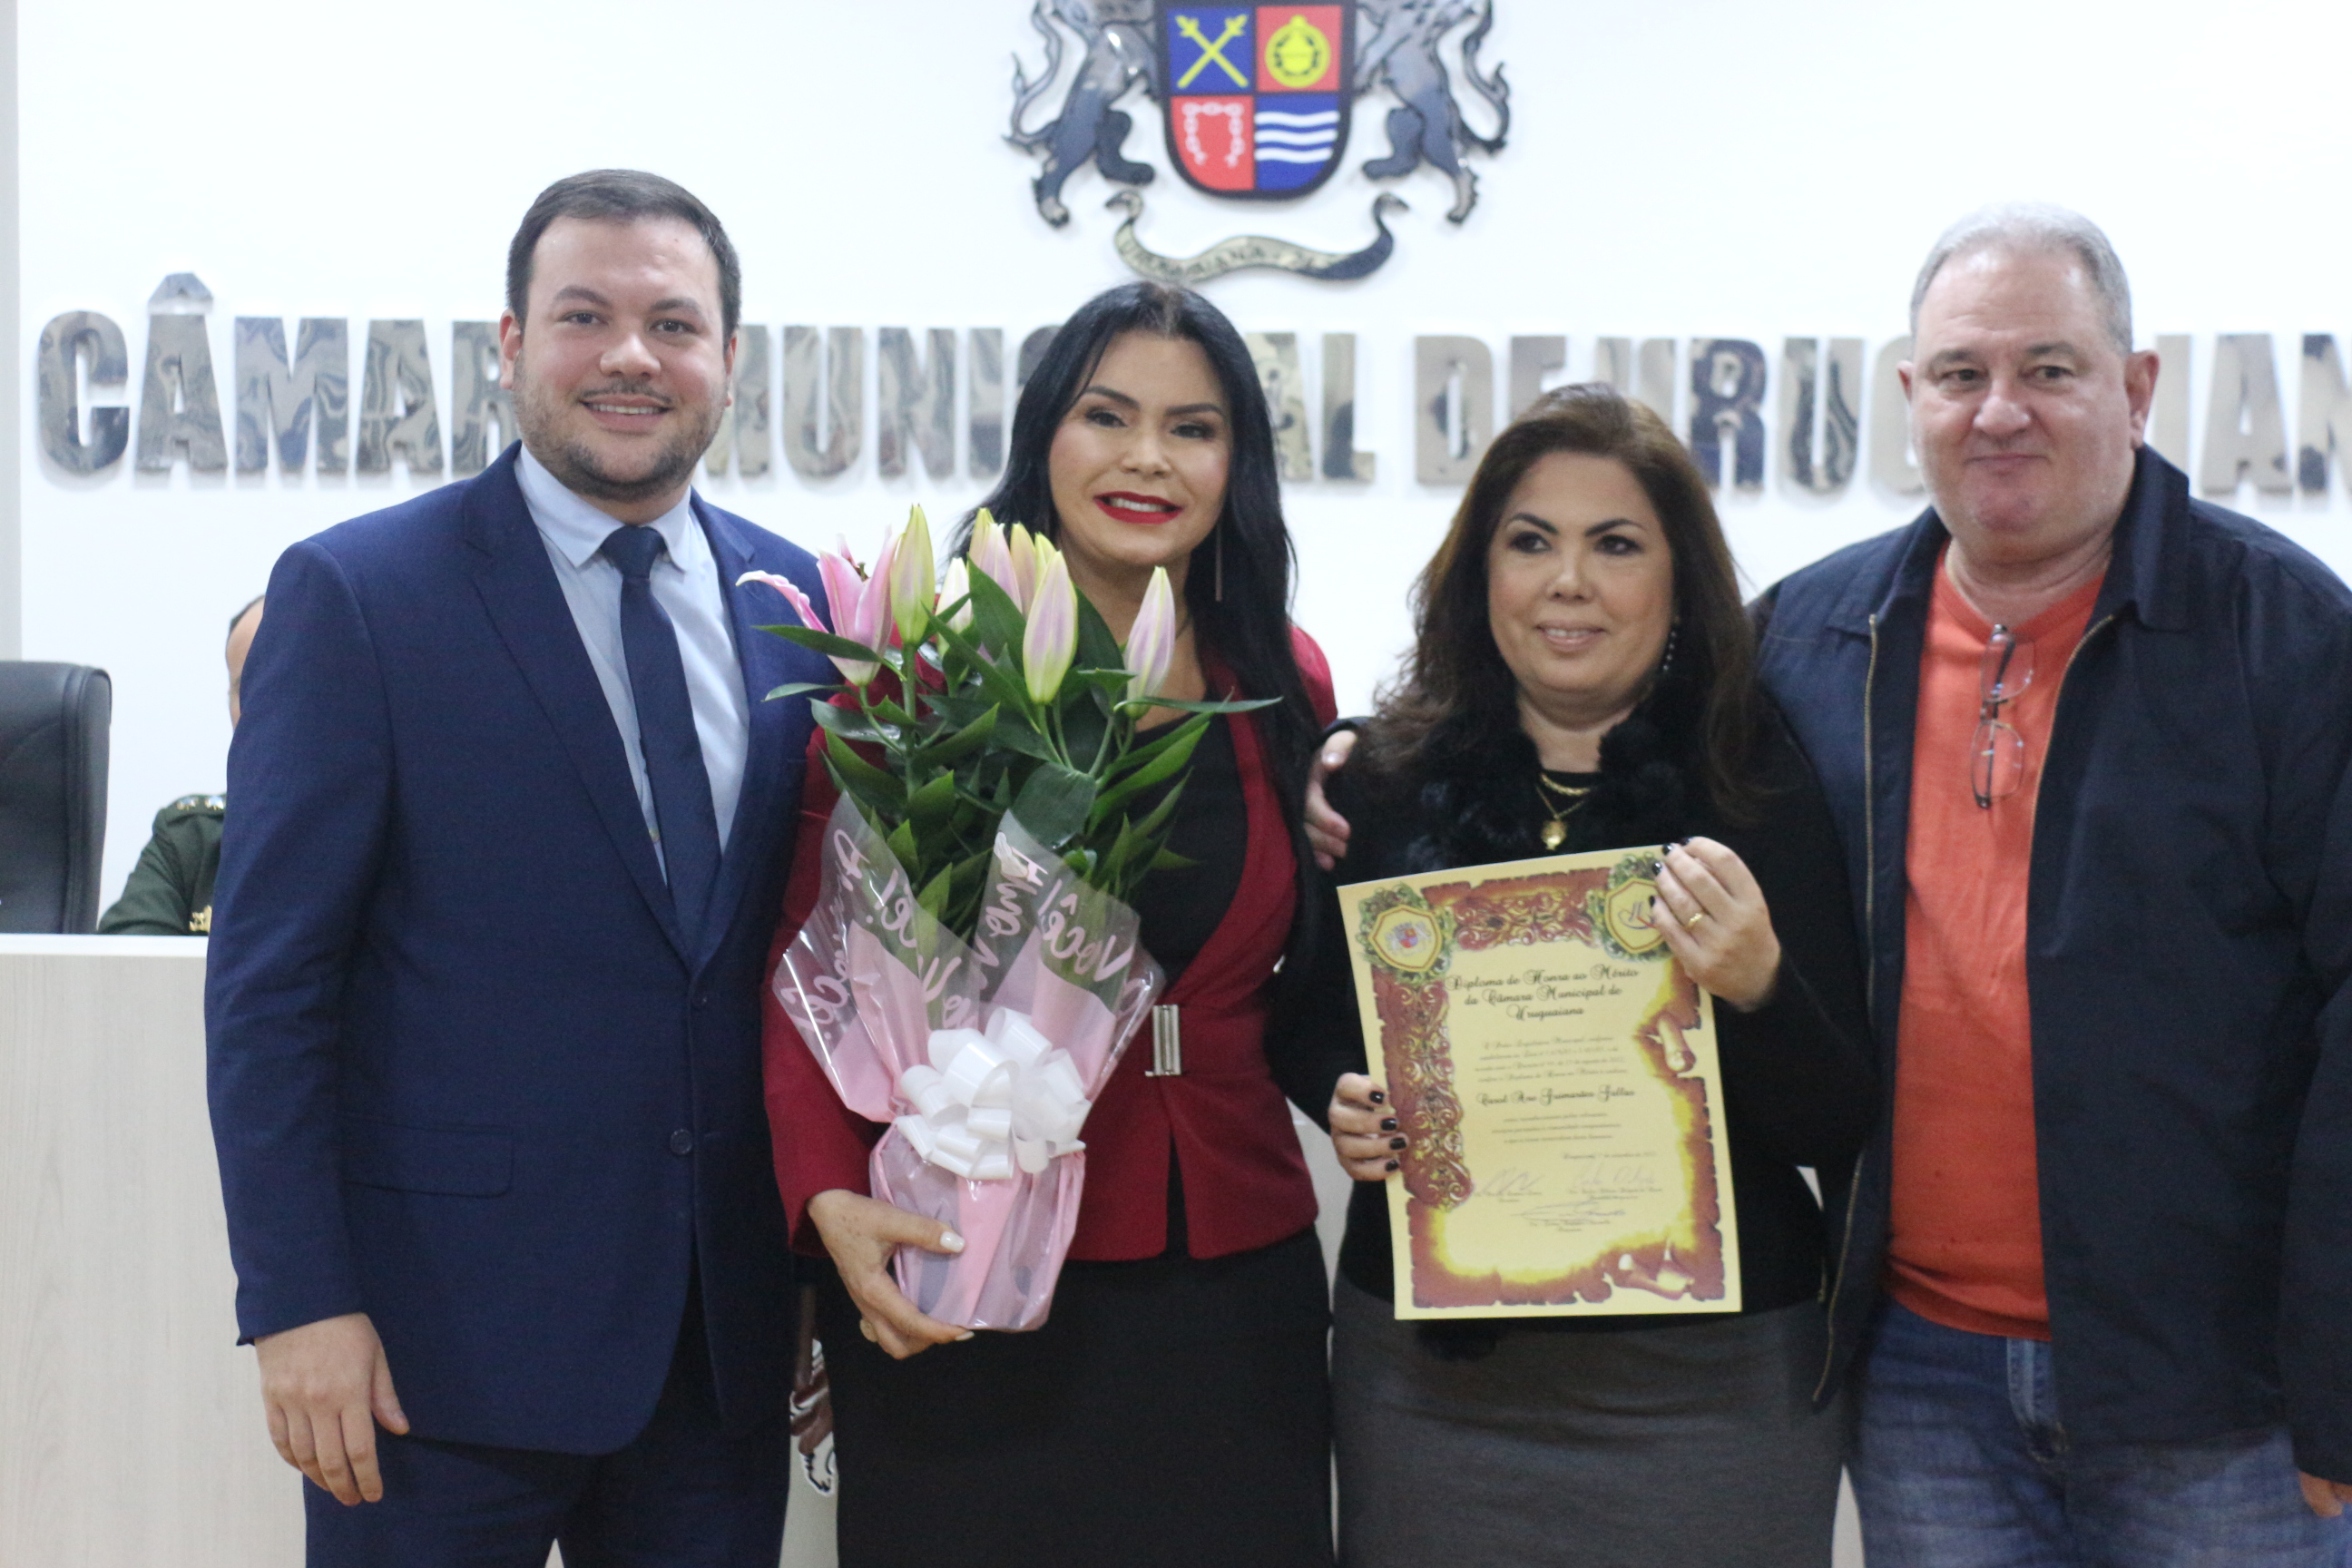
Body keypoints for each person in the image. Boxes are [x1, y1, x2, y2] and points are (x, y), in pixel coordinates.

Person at [204, 170, 834, 1566]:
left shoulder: (798, 608)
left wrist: (809, 1271)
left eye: (674, 324)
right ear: (510, 343)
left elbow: (807, 974)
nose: (630, 356)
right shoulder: (362, 595)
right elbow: (269, 989)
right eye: (583, 316)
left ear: (731, 357)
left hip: (716, 1350)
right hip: (428, 1356)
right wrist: (296, 1302)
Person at [1748, 206, 2352, 1563]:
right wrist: (1371, 763)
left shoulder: (2286, 635)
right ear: (1911, 395)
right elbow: (1608, 762)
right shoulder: (1813, 636)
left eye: (2050, 369)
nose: (2000, 411)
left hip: (2218, 1392)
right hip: (1921, 1375)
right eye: (1962, 374)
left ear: (2135, 390)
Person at [760, 280, 1341, 1566]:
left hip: (1228, 1273)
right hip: (971, 1253)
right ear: (1044, 437)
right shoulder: (920, 669)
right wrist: (824, 1203)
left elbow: (1300, 972)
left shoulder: (1279, 673)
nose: (1148, 459)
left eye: (1192, 428)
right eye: (1108, 416)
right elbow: (808, 966)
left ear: (1237, 464)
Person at [1294, 385, 1875, 1567]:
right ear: (1480, 573)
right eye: (1530, 542)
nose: (1568, 582)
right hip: (1433, 1386)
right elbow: (1300, 1018)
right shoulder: (1377, 780)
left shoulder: (1761, 786)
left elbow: (1836, 1122)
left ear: (1680, 583)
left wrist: (1758, 987)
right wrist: (1343, 1098)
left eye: (1615, 545)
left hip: (1711, 1394)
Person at [100, 593, 262, 935]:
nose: (262, 704)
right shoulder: (191, 839)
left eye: (284, 682)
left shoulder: (376, 839)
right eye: (246, 685)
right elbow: (122, 960)